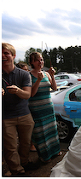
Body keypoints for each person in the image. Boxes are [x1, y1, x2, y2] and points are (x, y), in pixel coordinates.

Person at [2, 43, 36, 176]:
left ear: (13, 56)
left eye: (6, 53)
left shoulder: (23, 74)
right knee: (10, 147)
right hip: (5, 117)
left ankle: (25, 163)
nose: (3, 56)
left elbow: (27, 95)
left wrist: (17, 91)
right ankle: (17, 170)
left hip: (24, 114)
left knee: (26, 143)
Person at [27, 52, 62, 163]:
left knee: (52, 130)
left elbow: (54, 88)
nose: (40, 62)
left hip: (48, 107)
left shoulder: (46, 74)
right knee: (41, 133)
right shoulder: (29, 75)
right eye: (37, 60)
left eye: (41, 60)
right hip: (36, 109)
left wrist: (51, 75)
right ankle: (45, 156)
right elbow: (31, 94)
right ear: (32, 62)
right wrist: (38, 80)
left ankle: (55, 151)